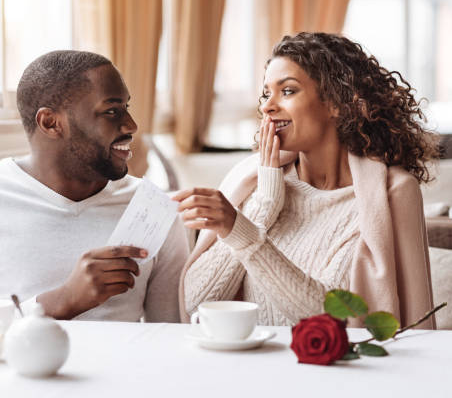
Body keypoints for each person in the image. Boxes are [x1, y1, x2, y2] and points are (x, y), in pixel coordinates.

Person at [174, 32, 441, 329]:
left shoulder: (391, 193)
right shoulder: (253, 181)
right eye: (266, 93)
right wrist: (263, 205)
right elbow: (194, 303)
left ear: (337, 103)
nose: (267, 107)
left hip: (342, 373)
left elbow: (334, 316)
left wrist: (242, 231)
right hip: (246, 369)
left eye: (287, 91)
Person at [0, 50, 189, 322]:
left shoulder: (151, 208)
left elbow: (170, 335)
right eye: (111, 111)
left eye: (125, 108)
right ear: (51, 122)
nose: (131, 125)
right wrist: (62, 301)